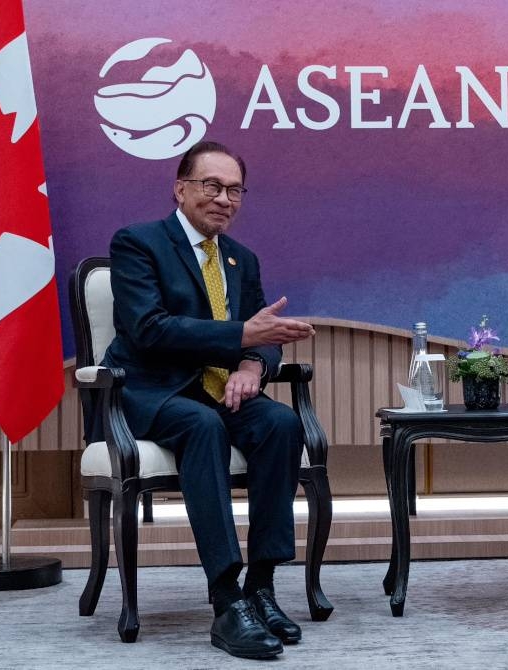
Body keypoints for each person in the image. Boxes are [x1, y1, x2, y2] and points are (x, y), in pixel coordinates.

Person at [103, 140, 316, 659]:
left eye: (235, 189)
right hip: (153, 389)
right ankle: (226, 601)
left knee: (282, 425)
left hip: (222, 389)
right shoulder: (138, 243)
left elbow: (259, 336)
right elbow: (149, 330)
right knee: (203, 425)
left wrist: (250, 365)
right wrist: (242, 338)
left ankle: (260, 588)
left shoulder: (242, 259)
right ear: (181, 189)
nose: (224, 198)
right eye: (211, 186)